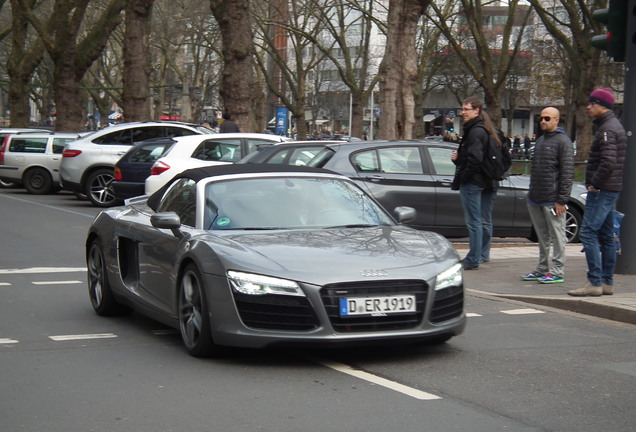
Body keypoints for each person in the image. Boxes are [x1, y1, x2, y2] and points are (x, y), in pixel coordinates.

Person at [568, 88, 626, 296]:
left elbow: (608, 162)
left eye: (592, 103)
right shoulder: (612, 126)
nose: (589, 107)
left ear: (602, 105)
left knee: (588, 232)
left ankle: (594, 282)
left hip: (602, 189)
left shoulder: (606, 130)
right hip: (610, 188)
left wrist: (594, 183)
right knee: (606, 235)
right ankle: (607, 282)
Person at [521, 107, 574, 284]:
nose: (543, 121)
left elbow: (567, 173)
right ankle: (542, 268)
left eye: (547, 118)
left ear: (557, 120)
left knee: (557, 235)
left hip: (552, 200)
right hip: (536, 197)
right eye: (541, 118)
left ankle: (558, 271)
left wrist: (561, 200)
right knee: (542, 235)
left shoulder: (563, 142)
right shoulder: (542, 140)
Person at [451, 97, 503, 270]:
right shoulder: (488, 130)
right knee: (485, 220)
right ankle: (483, 254)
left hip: (474, 182)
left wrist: (464, 176)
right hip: (490, 181)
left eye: (467, 109)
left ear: (477, 111)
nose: (463, 112)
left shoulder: (474, 131)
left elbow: (475, 159)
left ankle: (473, 258)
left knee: (474, 222)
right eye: (463, 109)